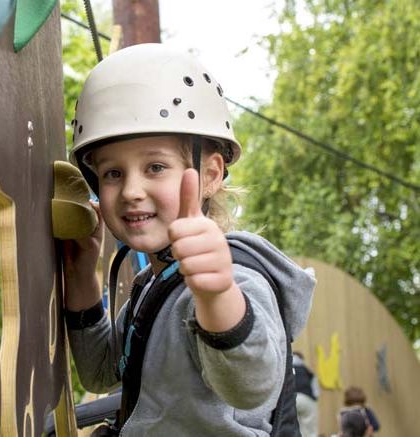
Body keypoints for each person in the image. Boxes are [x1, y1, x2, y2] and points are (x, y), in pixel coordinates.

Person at [62, 43, 316, 435]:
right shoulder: (157, 283)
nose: (131, 189)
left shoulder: (234, 279)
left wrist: (216, 298)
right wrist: (81, 274)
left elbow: (251, 387)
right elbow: (100, 373)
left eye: (156, 166)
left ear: (211, 174)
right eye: (113, 173)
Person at [294, 351, 320, 436]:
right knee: (310, 430)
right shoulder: (308, 372)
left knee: (292, 427)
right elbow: (316, 392)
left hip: (291, 399)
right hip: (307, 398)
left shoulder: (286, 369)